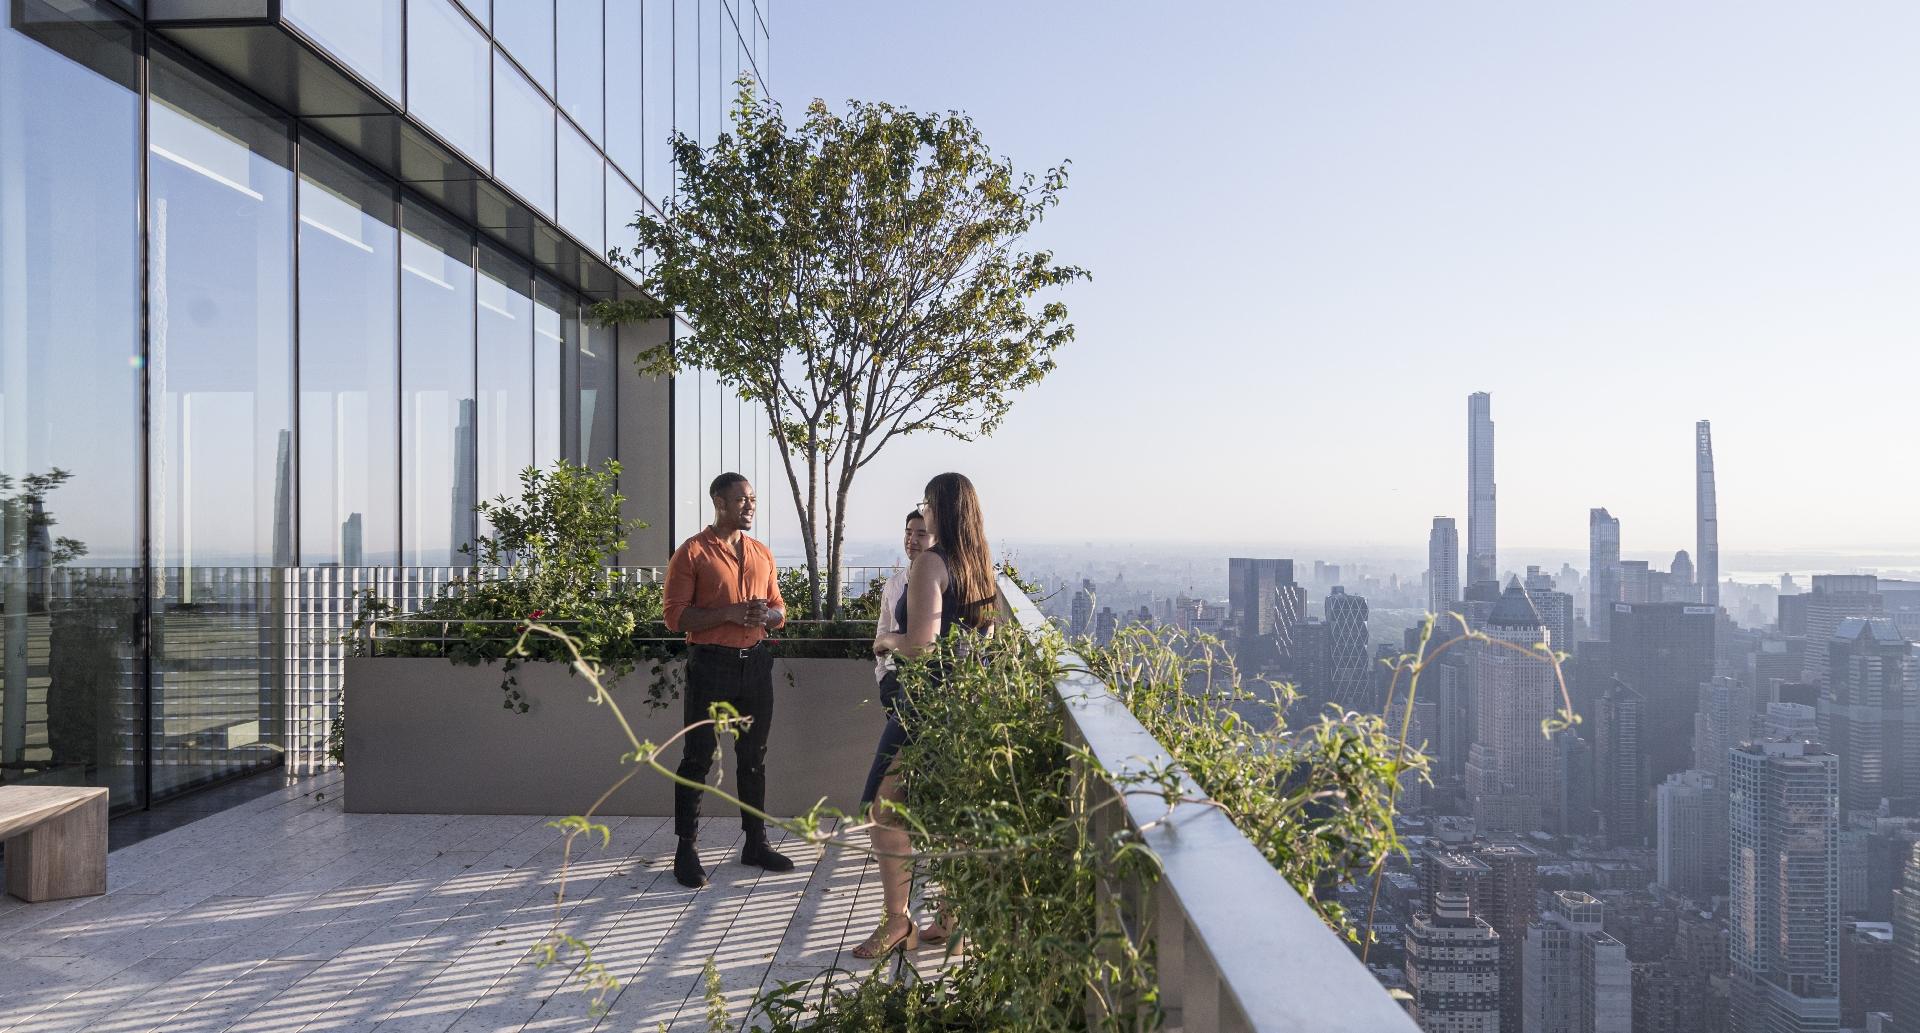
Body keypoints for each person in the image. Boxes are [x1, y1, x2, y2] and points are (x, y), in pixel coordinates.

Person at [853, 472, 999, 958]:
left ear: (941, 509)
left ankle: (898, 922)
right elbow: (987, 642)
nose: (924, 512)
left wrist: (885, 641)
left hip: (924, 707)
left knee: (884, 811)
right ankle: (954, 922)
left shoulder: (931, 564)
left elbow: (920, 646)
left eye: (928, 505)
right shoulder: (980, 565)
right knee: (949, 810)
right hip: (966, 706)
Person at [662, 472, 795, 889]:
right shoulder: (692, 553)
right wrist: (729, 613)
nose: (750, 506)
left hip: (755, 665)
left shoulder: (761, 553)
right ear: (720, 502)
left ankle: (755, 843)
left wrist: (765, 617)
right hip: (710, 665)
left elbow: (779, 610)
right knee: (697, 758)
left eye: (753, 499)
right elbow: (674, 617)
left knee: (754, 758)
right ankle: (686, 850)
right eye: (742, 500)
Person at [871, 508, 934, 687]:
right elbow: (882, 630)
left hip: (928, 682)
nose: (911, 540)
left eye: (921, 534)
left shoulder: (941, 585)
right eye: (908, 532)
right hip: (893, 678)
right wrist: (883, 676)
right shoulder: (894, 584)